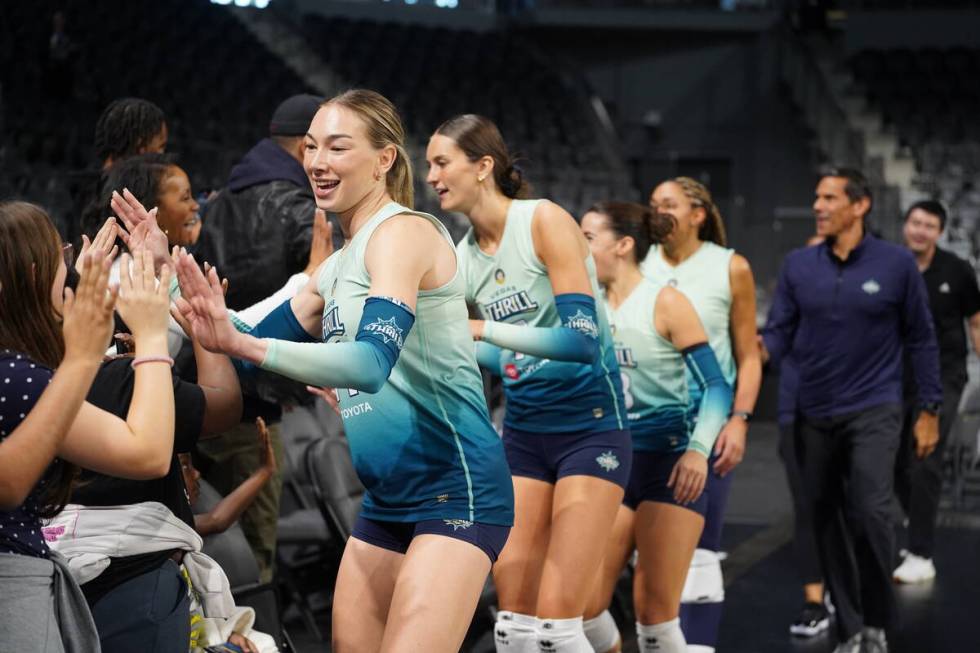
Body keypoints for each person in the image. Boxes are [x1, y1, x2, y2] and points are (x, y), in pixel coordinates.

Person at [163, 89, 513, 652]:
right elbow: (250, 339)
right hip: (385, 500)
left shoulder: (404, 233)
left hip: (456, 490)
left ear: (384, 159)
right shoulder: (337, 267)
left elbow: (371, 365)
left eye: (337, 148)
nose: (318, 163)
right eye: (310, 148)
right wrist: (171, 275)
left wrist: (242, 346)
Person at [427, 114, 629, 653]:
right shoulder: (464, 258)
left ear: (484, 166)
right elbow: (490, 353)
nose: (431, 175)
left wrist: (483, 330)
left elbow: (582, 342)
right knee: (514, 628)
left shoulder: (543, 222)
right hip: (523, 435)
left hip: (590, 431)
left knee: (560, 628)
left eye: (441, 162)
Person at [761, 167, 942, 653]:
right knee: (825, 519)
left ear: (859, 205)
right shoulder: (799, 265)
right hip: (813, 412)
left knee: (869, 510)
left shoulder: (896, 264)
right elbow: (779, 331)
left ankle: (878, 621)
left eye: (829, 197)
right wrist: (755, 352)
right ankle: (851, 627)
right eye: (816, 197)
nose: (818, 206)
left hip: (875, 408)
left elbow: (922, 338)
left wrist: (929, 408)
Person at [0, 200, 176, 651]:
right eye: (59, 257)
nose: (69, 267)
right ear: (33, 277)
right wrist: (153, 334)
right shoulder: (17, 379)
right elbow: (150, 452)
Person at [580, 201, 733, 653]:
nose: (576, 247)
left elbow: (717, 387)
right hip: (610, 462)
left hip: (667, 464)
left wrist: (698, 449)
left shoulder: (664, 301)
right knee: (583, 609)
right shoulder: (581, 304)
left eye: (587, 238)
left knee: (654, 616)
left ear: (623, 245)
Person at [641, 176, 761, 653]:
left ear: (698, 214)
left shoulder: (731, 267)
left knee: (698, 554)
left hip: (704, 427)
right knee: (646, 557)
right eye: (652, 204)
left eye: (668, 204)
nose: (657, 211)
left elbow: (748, 355)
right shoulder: (637, 262)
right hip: (642, 426)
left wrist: (740, 419)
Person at [893, 200, 980, 583]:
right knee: (894, 458)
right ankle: (918, 515)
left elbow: (976, 321)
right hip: (896, 374)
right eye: (915, 222)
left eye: (929, 225)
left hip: (944, 375)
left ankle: (921, 554)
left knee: (925, 458)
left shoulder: (957, 271)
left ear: (939, 232)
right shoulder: (891, 266)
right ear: (905, 226)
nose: (920, 230)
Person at [194, 93, 322, 311]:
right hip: (279, 342)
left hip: (215, 337)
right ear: (305, 148)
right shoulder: (301, 208)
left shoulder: (216, 203)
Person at [71, 97, 168, 244]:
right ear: (140, 144)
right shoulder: (131, 192)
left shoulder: (80, 189)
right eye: (160, 147)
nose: (162, 156)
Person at [181, 417, 277, 537]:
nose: (196, 474)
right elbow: (214, 521)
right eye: (185, 467)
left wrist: (265, 470)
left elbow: (215, 521)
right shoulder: (159, 524)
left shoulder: (172, 521)